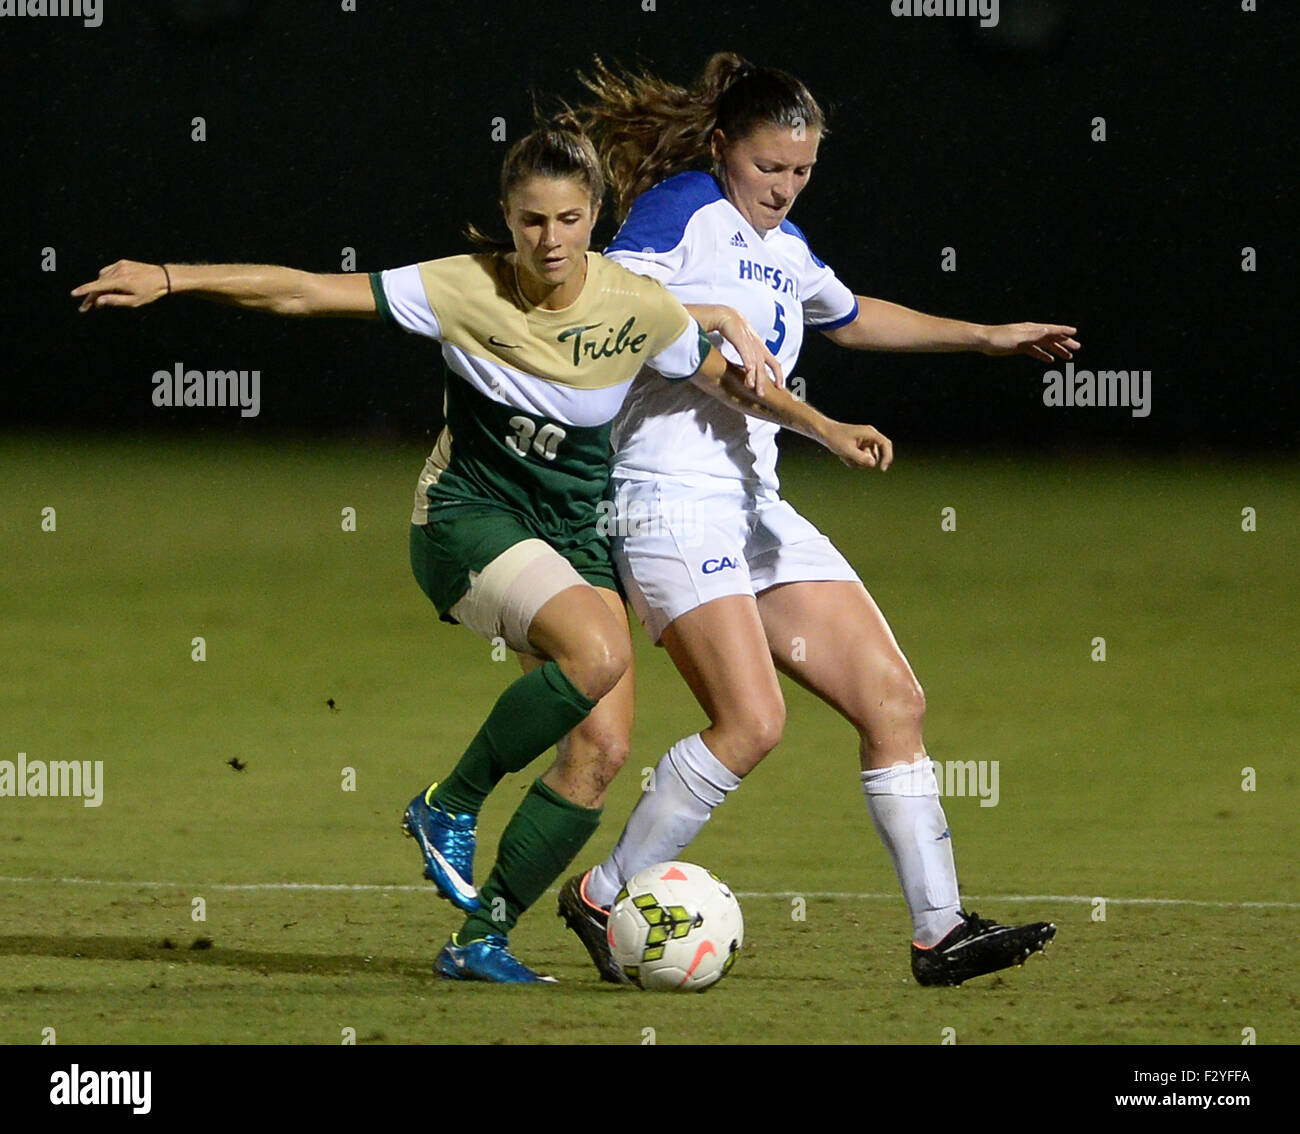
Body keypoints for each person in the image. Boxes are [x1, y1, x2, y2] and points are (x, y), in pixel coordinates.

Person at [71, 120, 888, 983]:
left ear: (594, 214)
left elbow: (731, 383)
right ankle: (448, 804)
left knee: (602, 750)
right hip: (470, 518)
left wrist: (825, 428)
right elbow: (304, 292)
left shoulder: (640, 308)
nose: (550, 240)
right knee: (599, 650)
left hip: (574, 534)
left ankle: (480, 938)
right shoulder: (462, 288)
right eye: (532, 220)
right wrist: (168, 278)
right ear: (506, 216)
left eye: (569, 219)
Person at [554, 55, 1079, 987]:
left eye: (802, 172)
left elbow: (850, 313)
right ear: (723, 149)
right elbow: (609, 297)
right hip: (665, 502)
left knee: (894, 703)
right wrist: (760, 361)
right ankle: (605, 894)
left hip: (755, 507)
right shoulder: (685, 208)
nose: (786, 188)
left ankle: (941, 930)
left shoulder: (783, 249)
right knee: (752, 723)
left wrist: (987, 336)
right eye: (769, 168)